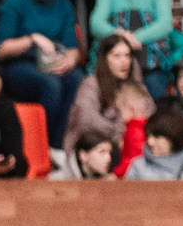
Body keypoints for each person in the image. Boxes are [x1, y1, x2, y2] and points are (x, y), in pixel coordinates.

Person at [0, 0, 83, 142]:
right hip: (19, 66)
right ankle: (41, 143)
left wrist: (71, 60)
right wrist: (31, 39)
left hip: (53, 62)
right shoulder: (15, 2)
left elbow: (73, 48)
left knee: (77, 78)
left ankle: (59, 145)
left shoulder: (64, 4)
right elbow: (1, 49)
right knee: (52, 86)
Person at [90, 0, 176, 99]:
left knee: (156, 86)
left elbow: (165, 24)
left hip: (151, 65)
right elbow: (96, 24)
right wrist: (122, 37)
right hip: (113, 65)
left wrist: (136, 38)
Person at [62, 31, 150, 162]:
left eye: (127, 55)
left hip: (129, 146)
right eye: (117, 56)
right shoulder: (91, 84)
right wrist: (120, 131)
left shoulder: (136, 85)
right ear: (105, 59)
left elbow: (149, 112)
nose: (124, 61)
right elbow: (86, 120)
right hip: (92, 148)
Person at [121, 106, 183, 178]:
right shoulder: (139, 167)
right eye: (148, 136)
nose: (150, 142)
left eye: (157, 137)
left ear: (174, 138)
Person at [52, 127, 118, 178]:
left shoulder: (106, 181)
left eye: (109, 152)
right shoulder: (58, 180)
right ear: (83, 156)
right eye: (102, 152)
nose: (108, 158)